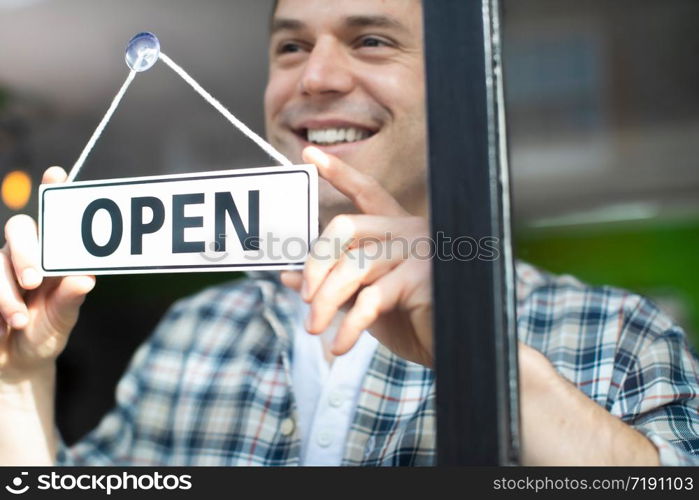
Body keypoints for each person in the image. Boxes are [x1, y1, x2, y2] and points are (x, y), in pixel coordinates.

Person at [1, 0, 698, 466]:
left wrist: (482, 352)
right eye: (290, 46)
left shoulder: (619, 339)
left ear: (465, 82)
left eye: (370, 40)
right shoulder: (192, 334)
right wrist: (19, 373)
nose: (317, 76)